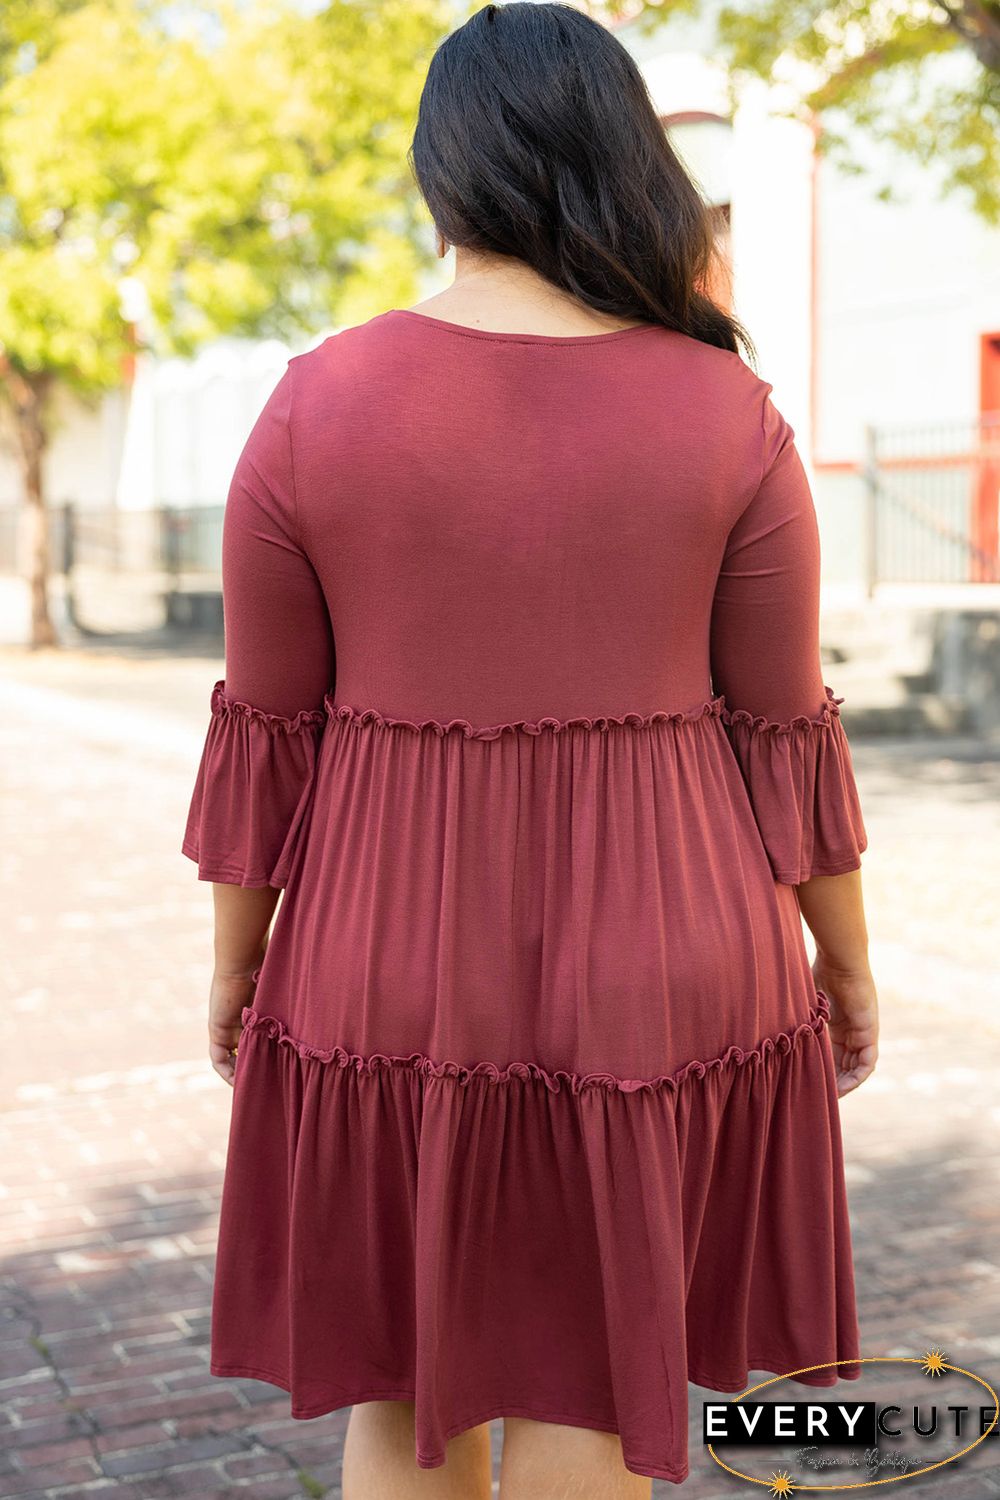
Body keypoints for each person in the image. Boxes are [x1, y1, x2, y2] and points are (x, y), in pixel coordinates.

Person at [181, 3, 879, 1495]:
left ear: (446, 176)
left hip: (386, 954)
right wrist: (848, 965)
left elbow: (268, 735)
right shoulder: (726, 411)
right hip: (672, 956)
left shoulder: (316, 404)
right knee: (599, 1378)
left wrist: (240, 966)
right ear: (622, 160)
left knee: (406, 1389)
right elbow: (784, 730)